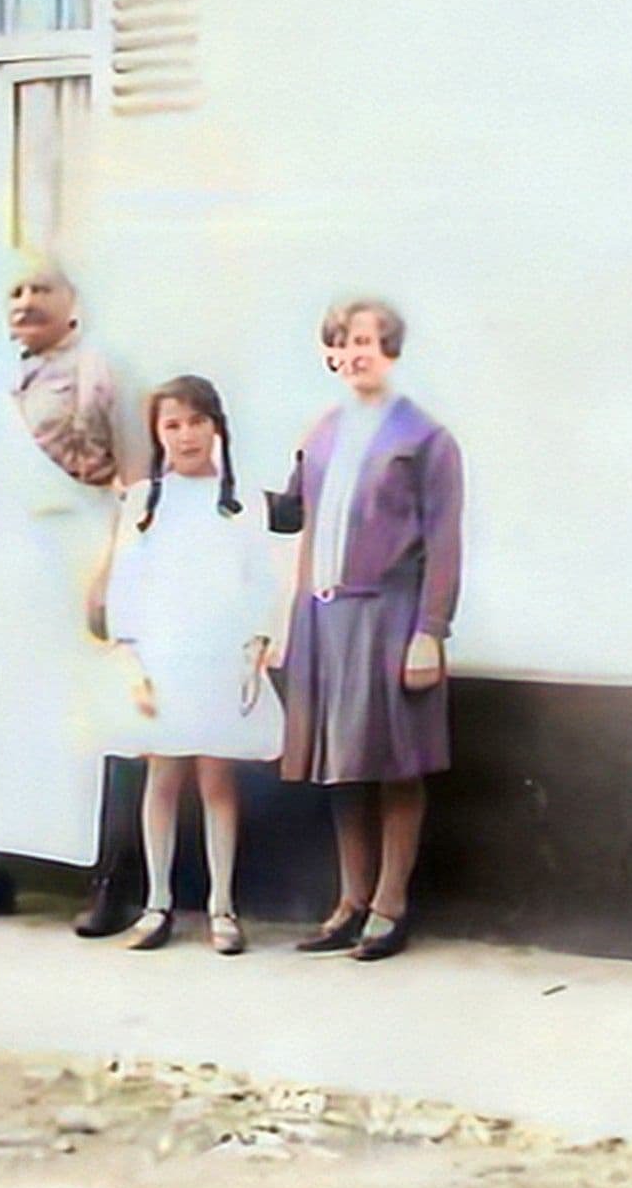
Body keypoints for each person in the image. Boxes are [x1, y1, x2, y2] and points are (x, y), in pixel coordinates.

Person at [0, 265, 144, 925]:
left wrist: (115, 573)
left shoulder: (104, 372)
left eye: (40, 289)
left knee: (88, 710)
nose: (25, 302)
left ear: (72, 301)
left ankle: (111, 877)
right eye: (14, 291)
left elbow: (136, 483)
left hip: (73, 558)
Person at [269, 298, 465, 962]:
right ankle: (350, 901)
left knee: (394, 765)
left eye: (368, 341)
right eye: (344, 343)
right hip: (325, 615)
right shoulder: (322, 431)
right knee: (340, 765)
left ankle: (390, 903)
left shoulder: (424, 438)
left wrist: (429, 631)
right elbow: (291, 514)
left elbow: (443, 541)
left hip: (390, 616)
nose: (356, 353)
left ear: (391, 350)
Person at [99, 376, 285, 954]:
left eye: (196, 422)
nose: (186, 436)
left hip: (220, 651)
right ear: (158, 434)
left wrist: (257, 640)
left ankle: (221, 906)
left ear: (217, 428)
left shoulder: (243, 502)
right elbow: (125, 581)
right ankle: (157, 903)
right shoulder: (143, 501)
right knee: (163, 774)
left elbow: (260, 577)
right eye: (172, 425)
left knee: (216, 777)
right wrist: (128, 653)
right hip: (163, 651)